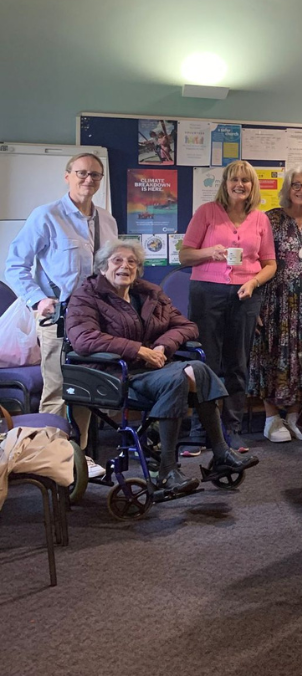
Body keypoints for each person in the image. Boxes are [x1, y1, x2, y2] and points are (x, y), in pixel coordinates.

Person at [65, 240, 258, 494]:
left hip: (150, 368)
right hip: (113, 373)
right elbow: (84, 338)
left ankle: (221, 452)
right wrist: (137, 350)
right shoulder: (86, 296)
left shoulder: (150, 294)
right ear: (102, 267)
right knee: (176, 379)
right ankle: (167, 469)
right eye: (117, 260)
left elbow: (187, 326)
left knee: (198, 369)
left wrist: (161, 347)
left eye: (132, 262)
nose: (125, 266)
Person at [5, 152, 118, 478]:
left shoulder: (107, 220)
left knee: (83, 388)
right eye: (81, 173)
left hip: (94, 320)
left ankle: (78, 457)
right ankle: (52, 460)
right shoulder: (46, 216)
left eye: (95, 175)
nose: (88, 180)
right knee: (56, 391)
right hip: (57, 317)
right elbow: (15, 265)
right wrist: (38, 300)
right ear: (67, 176)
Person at [179, 160, 277, 451]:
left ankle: (232, 428)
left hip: (245, 295)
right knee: (203, 364)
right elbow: (185, 255)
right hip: (206, 293)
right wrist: (210, 252)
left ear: (252, 186)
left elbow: (270, 263)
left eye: (246, 181)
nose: (240, 185)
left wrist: (254, 282)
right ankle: (199, 430)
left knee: (237, 363)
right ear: (225, 183)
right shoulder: (207, 212)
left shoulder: (260, 219)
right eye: (234, 180)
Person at [248, 166, 302, 444]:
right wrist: (254, 305)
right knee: (269, 356)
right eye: (297, 185)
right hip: (272, 305)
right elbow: (252, 261)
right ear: (287, 190)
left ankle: (296, 415)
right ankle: (271, 418)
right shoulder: (268, 220)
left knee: (301, 360)